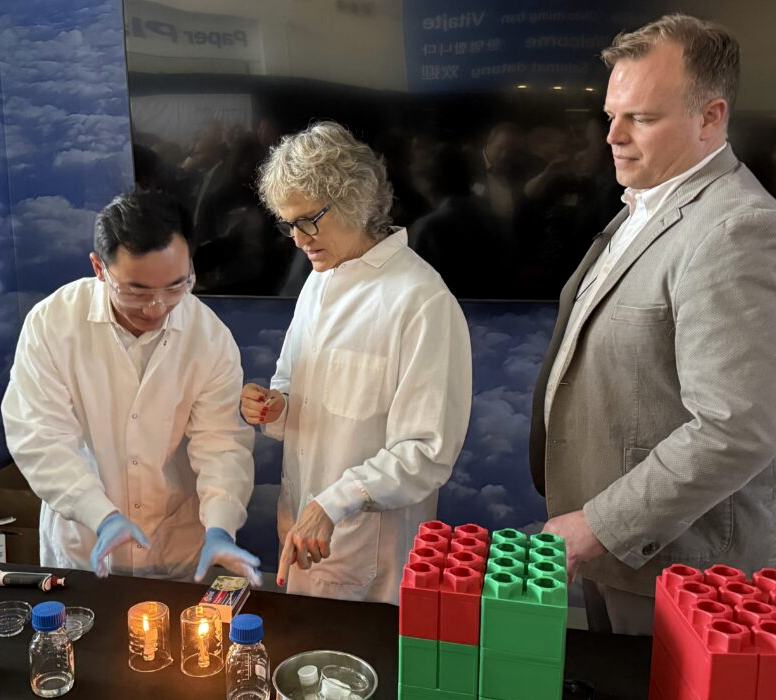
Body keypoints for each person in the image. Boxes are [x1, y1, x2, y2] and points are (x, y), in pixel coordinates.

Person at [529, 14, 776, 635]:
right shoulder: (648, 202)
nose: (612, 136)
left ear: (710, 117)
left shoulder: (734, 229)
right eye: (611, 114)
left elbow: (737, 426)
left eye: (641, 117)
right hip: (619, 557)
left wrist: (599, 527)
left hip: (676, 570)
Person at [240, 122, 472, 604]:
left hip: (370, 555)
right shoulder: (320, 280)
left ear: (355, 201)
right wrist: (275, 406)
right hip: (304, 533)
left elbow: (427, 452)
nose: (298, 239)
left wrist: (333, 501)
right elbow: (292, 384)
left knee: (368, 668)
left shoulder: (421, 302)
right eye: (287, 224)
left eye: (309, 220)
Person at [1, 188, 261, 585]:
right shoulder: (52, 324)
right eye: (137, 291)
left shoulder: (208, 336)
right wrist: (100, 515)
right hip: (84, 543)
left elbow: (221, 443)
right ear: (98, 268)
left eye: (176, 286)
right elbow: (40, 438)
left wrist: (220, 528)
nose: (156, 307)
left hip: (176, 544)